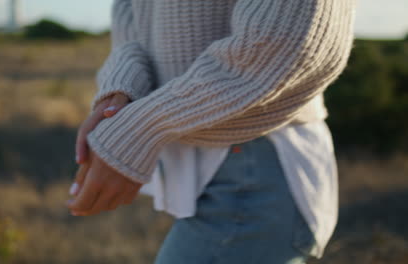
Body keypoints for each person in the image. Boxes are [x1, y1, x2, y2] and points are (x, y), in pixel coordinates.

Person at [66, 0, 357, 263]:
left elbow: (289, 38)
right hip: (212, 166)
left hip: (257, 162)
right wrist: (120, 96)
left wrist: (138, 128)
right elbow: (132, 17)